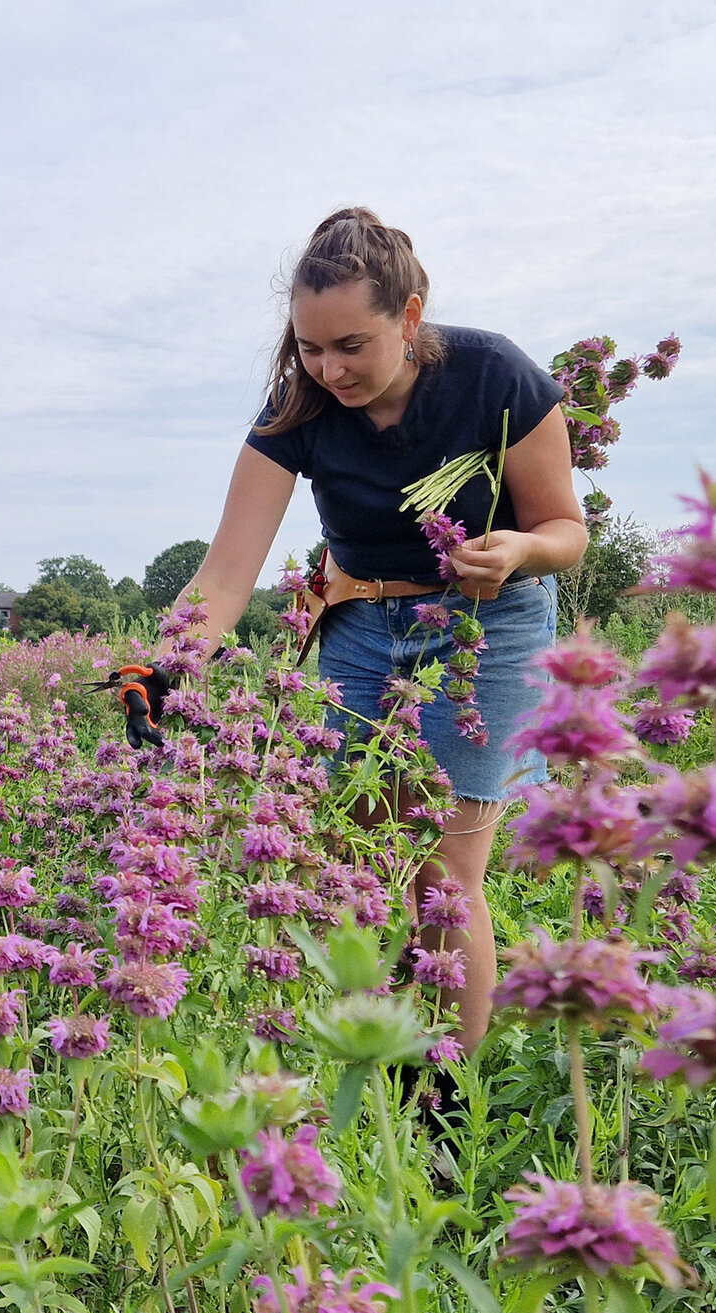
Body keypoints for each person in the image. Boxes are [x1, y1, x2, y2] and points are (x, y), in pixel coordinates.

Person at [164, 207, 585, 1052]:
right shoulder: (301, 408)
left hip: (486, 627)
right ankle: (364, 1060)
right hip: (358, 621)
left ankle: (442, 1104)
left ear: (411, 316)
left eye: (351, 346)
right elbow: (226, 571)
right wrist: (163, 666)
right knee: (336, 855)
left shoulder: (494, 377)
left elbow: (567, 533)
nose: (328, 370)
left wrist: (519, 549)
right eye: (310, 348)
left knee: (443, 875)